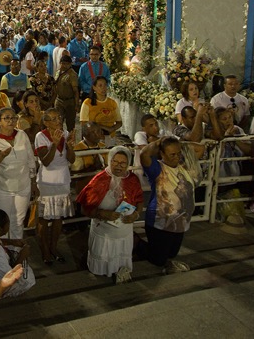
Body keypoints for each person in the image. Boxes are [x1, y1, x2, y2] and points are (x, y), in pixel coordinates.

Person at [77, 146, 143, 283]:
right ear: (109, 161)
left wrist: (136, 215)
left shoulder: (133, 180)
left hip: (124, 232)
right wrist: (101, 213)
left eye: (123, 163)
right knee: (102, 262)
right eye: (115, 162)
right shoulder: (99, 180)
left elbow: (139, 201)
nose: (118, 166)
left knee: (120, 260)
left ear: (128, 164)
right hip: (104, 232)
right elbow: (84, 209)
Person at [139, 137, 202, 273]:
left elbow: (200, 148)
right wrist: (158, 142)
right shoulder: (157, 168)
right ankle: (136, 244)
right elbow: (144, 154)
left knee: (172, 253)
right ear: (162, 154)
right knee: (158, 260)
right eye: (172, 154)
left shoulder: (185, 166)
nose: (177, 157)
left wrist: (179, 144)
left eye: (179, 153)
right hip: (160, 221)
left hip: (180, 220)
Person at [0, 107, 38, 240]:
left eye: (13, 118)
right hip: (2, 187)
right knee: (3, 223)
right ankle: (4, 255)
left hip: (23, 185)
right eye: (6, 118)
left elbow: (30, 159)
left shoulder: (21, 135)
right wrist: (0, 157)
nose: (11, 121)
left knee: (18, 221)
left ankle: (17, 252)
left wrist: (33, 181)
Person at [34, 108, 75, 264]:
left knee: (58, 217)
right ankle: (44, 250)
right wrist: (54, 144)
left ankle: (53, 247)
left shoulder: (64, 133)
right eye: (54, 118)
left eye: (59, 117)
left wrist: (70, 145)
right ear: (46, 122)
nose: (58, 120)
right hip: (47, 182)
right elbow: (45, 161)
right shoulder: (40, 136)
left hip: (63, 179)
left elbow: (71, 159)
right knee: (44, 218)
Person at [0, 209, 35, 298]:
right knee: (28, 279)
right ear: (0, 229)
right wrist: (23, 256)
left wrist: (11, 242)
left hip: (0, 273)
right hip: (2, 282)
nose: (9, 226)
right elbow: (9, 275)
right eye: (8, 223)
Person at [79, 76, 122, 143]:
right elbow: (84, 124)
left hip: (110, 137)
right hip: (94, 138)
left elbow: (119, 122)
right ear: (94, 88)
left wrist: (112, 129)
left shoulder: (112, 103)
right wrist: (103, 127)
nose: (103, 88)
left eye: (105, 85)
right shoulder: (87, 103)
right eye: (100, 86)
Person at [53, 54, 81, 133]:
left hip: (69, 101)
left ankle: (70, 142)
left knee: (70, 124)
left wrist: (76, 104)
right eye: (63, 63)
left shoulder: (72, 75)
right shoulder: (58, 72)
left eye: (67, 64)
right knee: (58, 123)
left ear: (70, 64)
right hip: (59, 100)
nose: (64, 65)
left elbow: (75, 91)